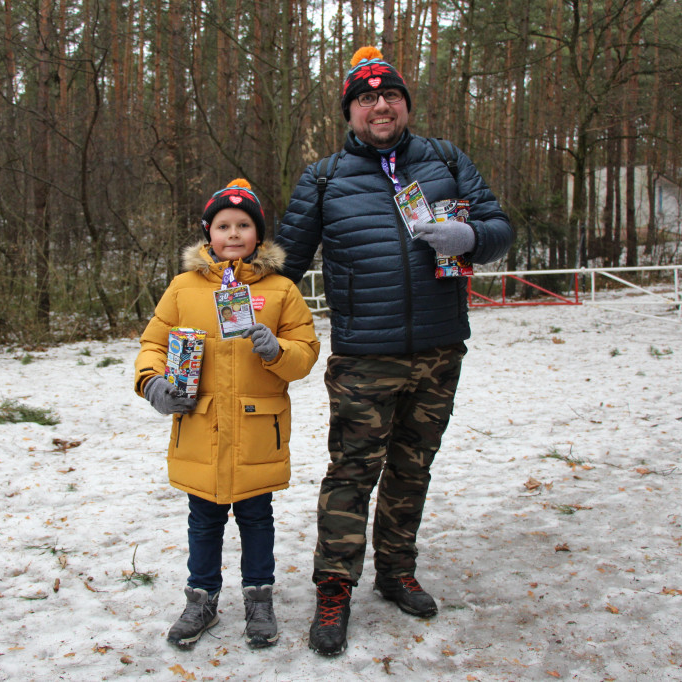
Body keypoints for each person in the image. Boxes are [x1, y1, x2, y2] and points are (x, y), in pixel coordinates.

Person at [275, 46, 514, 656]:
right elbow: (284, 267)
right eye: (366, 98)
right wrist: (224, 300)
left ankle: (396, 570)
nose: (380, 106)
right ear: (350, 112)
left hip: (439, 349)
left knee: (413, 470)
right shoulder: (324, 177)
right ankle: (334, 587)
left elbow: (499, 230)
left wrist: (471, 236)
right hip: (364, 357)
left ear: (405, 104)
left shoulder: (444, 159)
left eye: (391, 96)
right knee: (353, 474)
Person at [135, 179, 320, 650]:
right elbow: (154, 344)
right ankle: (201, 597)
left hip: (259, 433)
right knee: (204, 519)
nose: (233, 234)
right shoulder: (183, 288)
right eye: (223, 225)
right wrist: (153, 383)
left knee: (258, 519)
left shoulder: (281, 290)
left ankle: (260, 599)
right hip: (200, 427)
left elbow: (306, 352)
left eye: (243, 225)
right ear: (207, 233)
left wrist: (277, 350)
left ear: (258, 235)